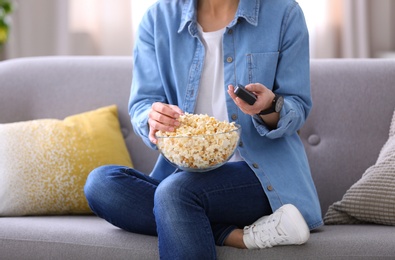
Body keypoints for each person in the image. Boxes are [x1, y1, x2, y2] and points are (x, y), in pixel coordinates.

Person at [84, 0, 323, 259]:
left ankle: (189, 213)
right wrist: (152, 118)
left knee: (175, 192)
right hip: (182, 173)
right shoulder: (157, 18)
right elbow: (143, 103)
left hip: (261, 177)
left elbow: (296, 106)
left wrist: (269, 106)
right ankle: (234, 235)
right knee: (101, 184)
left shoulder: (284, 13)